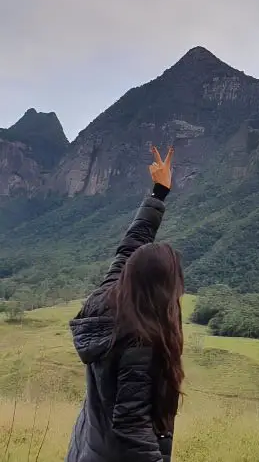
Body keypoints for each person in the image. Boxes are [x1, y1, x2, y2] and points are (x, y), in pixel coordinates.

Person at [66, 145, 183, 462]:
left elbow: (131, 245)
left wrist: (159, 193)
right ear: (163, 292)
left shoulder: (106, 298)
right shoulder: (140, 342)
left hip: (87, 447)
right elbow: (132, 425)